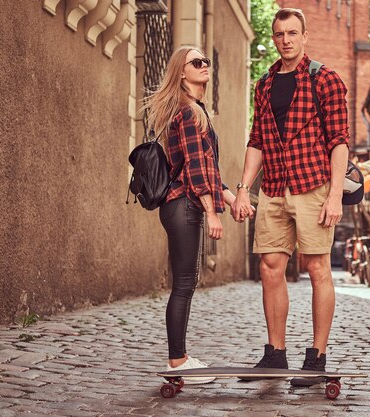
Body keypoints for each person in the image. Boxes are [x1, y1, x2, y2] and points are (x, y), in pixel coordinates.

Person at [232, 8, 350, 386]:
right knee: (270, 267)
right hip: (274, 188)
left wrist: (334, 195)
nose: (286, 39)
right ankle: (275, 355)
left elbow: (339, 143)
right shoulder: (264, 85)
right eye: (280, 33)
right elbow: (257, 142)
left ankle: (316, 358)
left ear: (304, 36)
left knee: (317, 268)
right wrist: (242, 189)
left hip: (312, 185)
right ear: (274, 37)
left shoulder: (325, 79)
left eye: (293, 33)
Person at [144, 46, 251, 383]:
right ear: (181, 72)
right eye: (196, 62)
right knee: (184, 283)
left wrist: (233, 199)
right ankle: (178, 361)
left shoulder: (195, 110)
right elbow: (194, 169)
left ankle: (181, 357)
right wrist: (214, 213)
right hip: (184, 204)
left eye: (206, 60)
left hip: (182, 204)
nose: (204, 65)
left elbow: (209, 169)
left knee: (186, 283)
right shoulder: (188, 112)